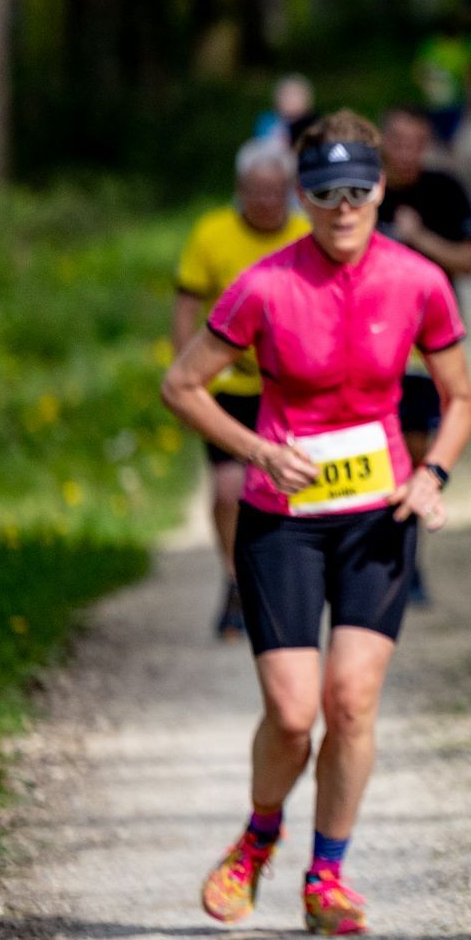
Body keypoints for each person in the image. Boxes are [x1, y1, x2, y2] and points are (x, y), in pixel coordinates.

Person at [161, 110, 471, 937]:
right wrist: (255, 451)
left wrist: (433, 473)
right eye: (326, 192)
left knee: (353, 700)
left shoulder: (418, 281)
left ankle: (327, 875)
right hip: (285, 519)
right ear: (302, 197)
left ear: (380, 189)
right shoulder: (264, 285)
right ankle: (260, 835)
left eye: (359, 190)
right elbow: (183, 385)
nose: (344, 207)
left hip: (377, 513)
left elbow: (460, 398)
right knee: (295, 712)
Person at [172, 139, 311, 639]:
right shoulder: (212, 234)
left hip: (292, 389)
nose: (267, 201)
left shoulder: (306, 235)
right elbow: (186, 305)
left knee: (291, 488)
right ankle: (235, 578)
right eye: (257, 191)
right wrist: (186, 370)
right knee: (229, 491)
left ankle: (287, 584)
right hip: (229, 384)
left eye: (277, 192)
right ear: (240, 191)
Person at [377, 107, 471, 606]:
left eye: (415, 143)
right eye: (396, 141)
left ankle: (407, 558)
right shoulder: (361, 194)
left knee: (416, 453)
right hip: (368, 344)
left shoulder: (444, 190)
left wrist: (418, 239)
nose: (405, 152)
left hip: (425, 345)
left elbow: (470, 261)